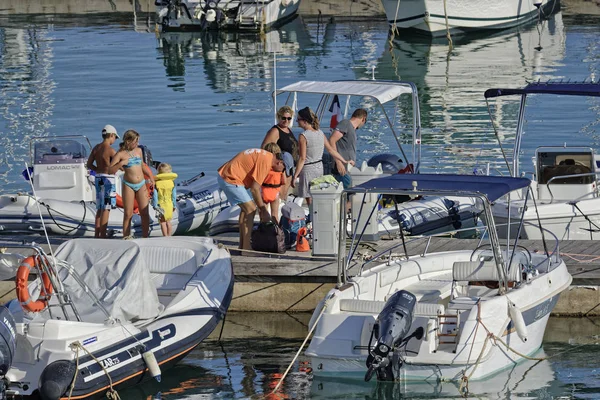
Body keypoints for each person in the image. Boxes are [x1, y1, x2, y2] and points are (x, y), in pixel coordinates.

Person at [217, 145, 285, 251]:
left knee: (245, 211)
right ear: (279, 162)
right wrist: (263, 209)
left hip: (228, 175)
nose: (282, 171)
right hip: (230, 178)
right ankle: (246, 248)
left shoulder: (266, 156)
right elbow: (255, 189)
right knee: (251, 209)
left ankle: (242, 246)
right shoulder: (266, 163)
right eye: (283, 169)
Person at [293, 107, 354, 205]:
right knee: (317, 194)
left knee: (309, 197)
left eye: (298, 119)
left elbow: (302, 158)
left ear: (304, 121)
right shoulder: (320, 133)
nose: (296, 121)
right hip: (319, 167)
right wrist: (344, 160)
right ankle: (317, 215)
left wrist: (295, 175)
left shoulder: (303, 136)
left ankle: (312, 217)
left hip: (308, 168)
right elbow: (331, 150)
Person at [109, 129, 154, 239]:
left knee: (144, 212)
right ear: (128, 141)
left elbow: (142, 165)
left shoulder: (138, 151)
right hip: (128, 185)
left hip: (141, 184)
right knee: (128, 214)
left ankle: (145, 236)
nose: (137, 144)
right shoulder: (120, 154)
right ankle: (126, 236)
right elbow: (110, 170)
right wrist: (121, 163)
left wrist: (151, 177)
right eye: (135, 141)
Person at [86, 124, 119, 238]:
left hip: (98, 177)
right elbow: (119, 164)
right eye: (115, 137)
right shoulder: (110, 150)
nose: (115, 140)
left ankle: (97, 233)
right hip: (108, 179)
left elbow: (89, 164)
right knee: (107, 208)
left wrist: (98, 170)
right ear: (111, 135)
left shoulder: (96, 148)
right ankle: (103, 235)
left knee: (100, 207)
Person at [261, 106, 298, 199]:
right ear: (279, 117)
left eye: (289, 118)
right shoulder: (275, 131)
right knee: (279, 194)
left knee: (284, 193)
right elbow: (265, 149)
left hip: (289, 167)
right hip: (280, 167)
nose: (286, 121)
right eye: (283, 118)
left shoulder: (288, 129)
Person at [329, 108, 367, 189]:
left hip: (348, 168)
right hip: (341, 168)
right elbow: (332, 140)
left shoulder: (351, 128)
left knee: (349, 194)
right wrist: (338, 162)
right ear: (363, 119)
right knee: (348, 193)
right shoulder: (345, 123)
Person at [261, 142, 285, 223]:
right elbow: (284, 181)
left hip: (264, 192)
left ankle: (264, 231)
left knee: (263, 214)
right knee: (275, 214)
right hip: (275, 192)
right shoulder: (280, 166)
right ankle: (276, 231)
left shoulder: (263, 165)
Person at [152, 162, 178, 237]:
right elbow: (174, 196)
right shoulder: (172, 183)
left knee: (162, 222)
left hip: (161, 204)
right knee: (168, 222)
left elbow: (155, 196)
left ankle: (165, 236)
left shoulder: (157, 183)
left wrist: (155, 205)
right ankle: (169, 236)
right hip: (169, 204)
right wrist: (174, 205)